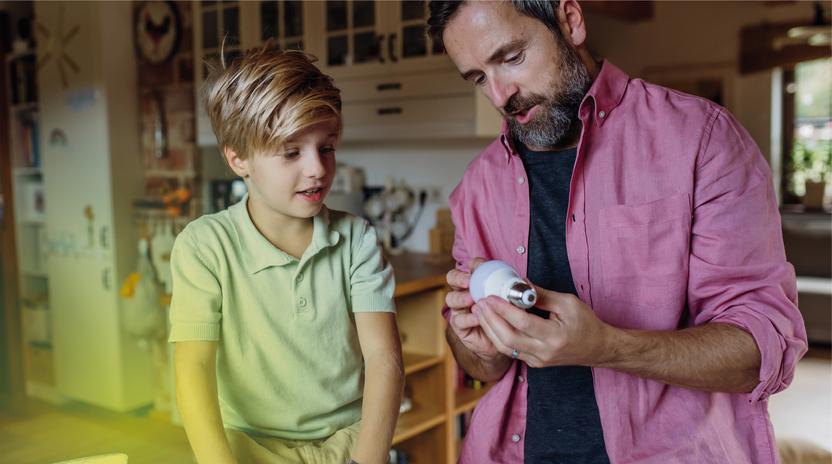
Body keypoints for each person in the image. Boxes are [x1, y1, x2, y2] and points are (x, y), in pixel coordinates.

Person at [427, 1, 808, 462]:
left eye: (511, 58)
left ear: (570, 20)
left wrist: (607, 347)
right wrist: (475, 345)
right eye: (479, 78)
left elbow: (763, 349)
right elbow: (482, 367)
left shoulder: (702, 141)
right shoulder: (477, 185)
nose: (501, 95)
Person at [169, 46, 403, 464]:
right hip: (250, 449)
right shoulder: (204, 246)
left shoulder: (357, 240)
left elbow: (384, 359)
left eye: (326, 147)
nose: (317, 168)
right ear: (238, 158)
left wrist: (367, 459)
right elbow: (193, 370)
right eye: (291, 152)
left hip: (350, 442)